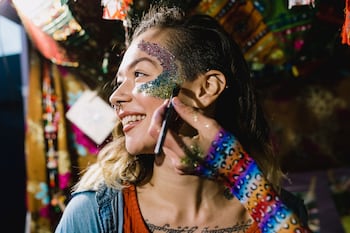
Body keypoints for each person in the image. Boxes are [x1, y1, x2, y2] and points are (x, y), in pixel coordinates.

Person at [55, 4, 311, 233]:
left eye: (141, 74)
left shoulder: (276, 210)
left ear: (206, 88)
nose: (115, 97)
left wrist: (243, 175)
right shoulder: (94, 216)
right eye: (120, 81)